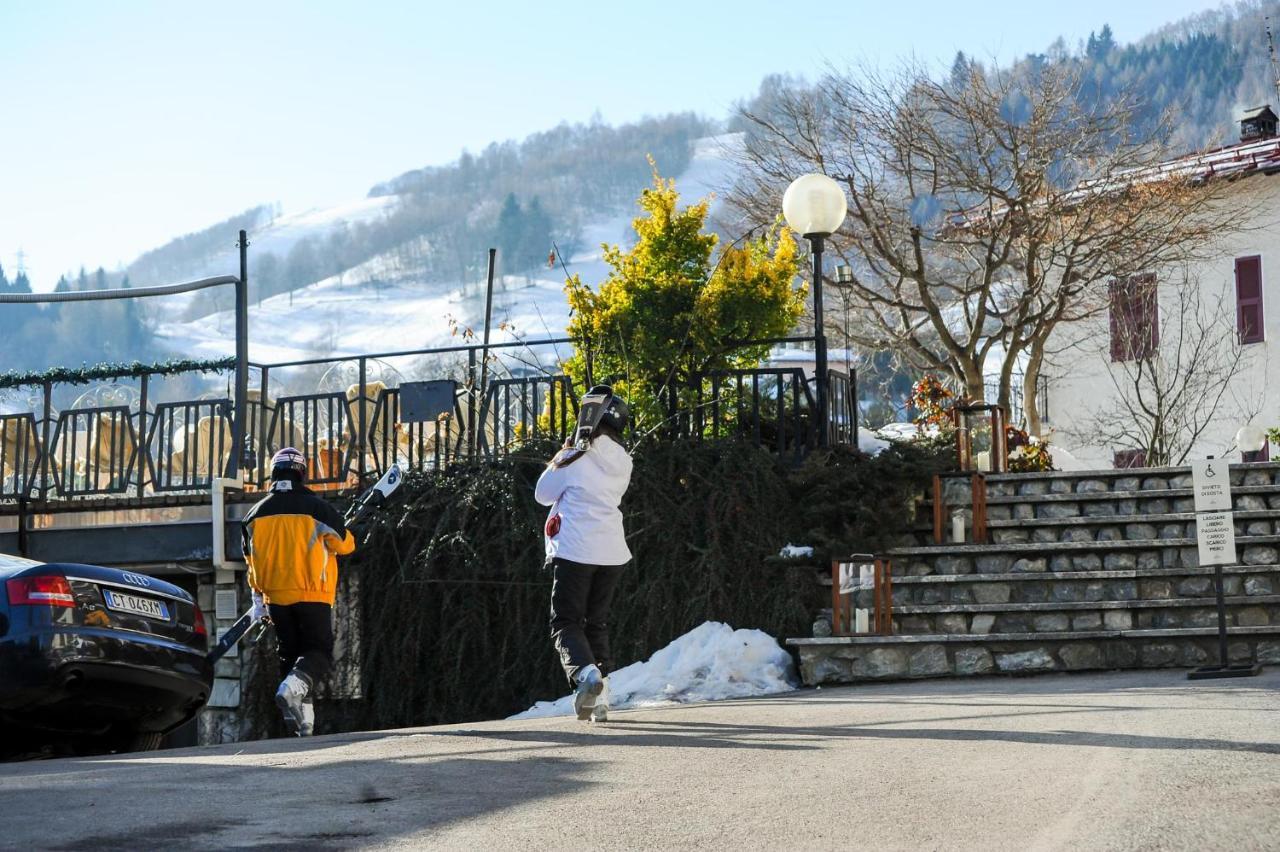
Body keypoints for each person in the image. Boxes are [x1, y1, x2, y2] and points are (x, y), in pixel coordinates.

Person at [534, 385, 633, 722]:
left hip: (576, 549)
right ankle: (600, 697)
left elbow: (542, 494)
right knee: (597, 623)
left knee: (565, 621)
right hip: (612, 552)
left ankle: (587, 675)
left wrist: (563, 455)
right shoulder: (624, 460)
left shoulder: (574, 456)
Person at [242, 447, 355, 736]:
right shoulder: (316, 508)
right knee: (318, 652)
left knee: (290, 656)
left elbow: (250, 560)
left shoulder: (253, 515)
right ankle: (294, 696)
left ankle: (301, 722)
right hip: (312, 593)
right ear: (301, 472)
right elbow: (346, 544)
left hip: (275, 599)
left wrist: (258, 598)